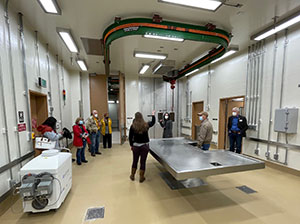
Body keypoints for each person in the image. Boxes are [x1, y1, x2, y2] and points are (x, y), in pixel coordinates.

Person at [129, 110, 156, 183]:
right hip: (144, 146)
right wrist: (153, 115)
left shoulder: (133, 126)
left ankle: (132, 175)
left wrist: (131, 145)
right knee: (143, 162)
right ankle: (141, 177)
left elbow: (130, 137)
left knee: (135, 161)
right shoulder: (146, 125)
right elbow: (153, 122)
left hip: (136, 147)